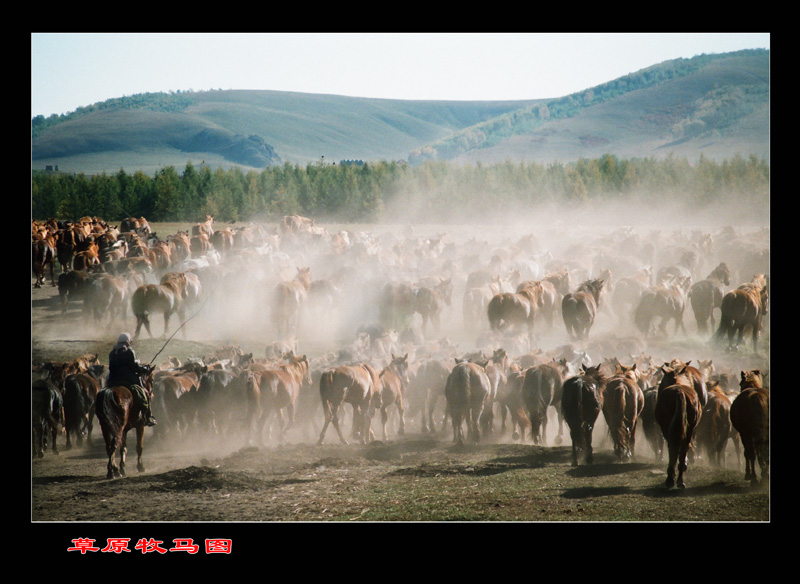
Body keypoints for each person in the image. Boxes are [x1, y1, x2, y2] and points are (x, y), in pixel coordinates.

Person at [106, 332, 157, 426]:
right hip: (128, 380)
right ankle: (148, 416)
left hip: (112, 381)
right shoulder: (130, 351)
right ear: (128, 342)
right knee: (144, 395)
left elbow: (111, 367)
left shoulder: (112, 353)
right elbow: (134, 367)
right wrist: (144, 369)